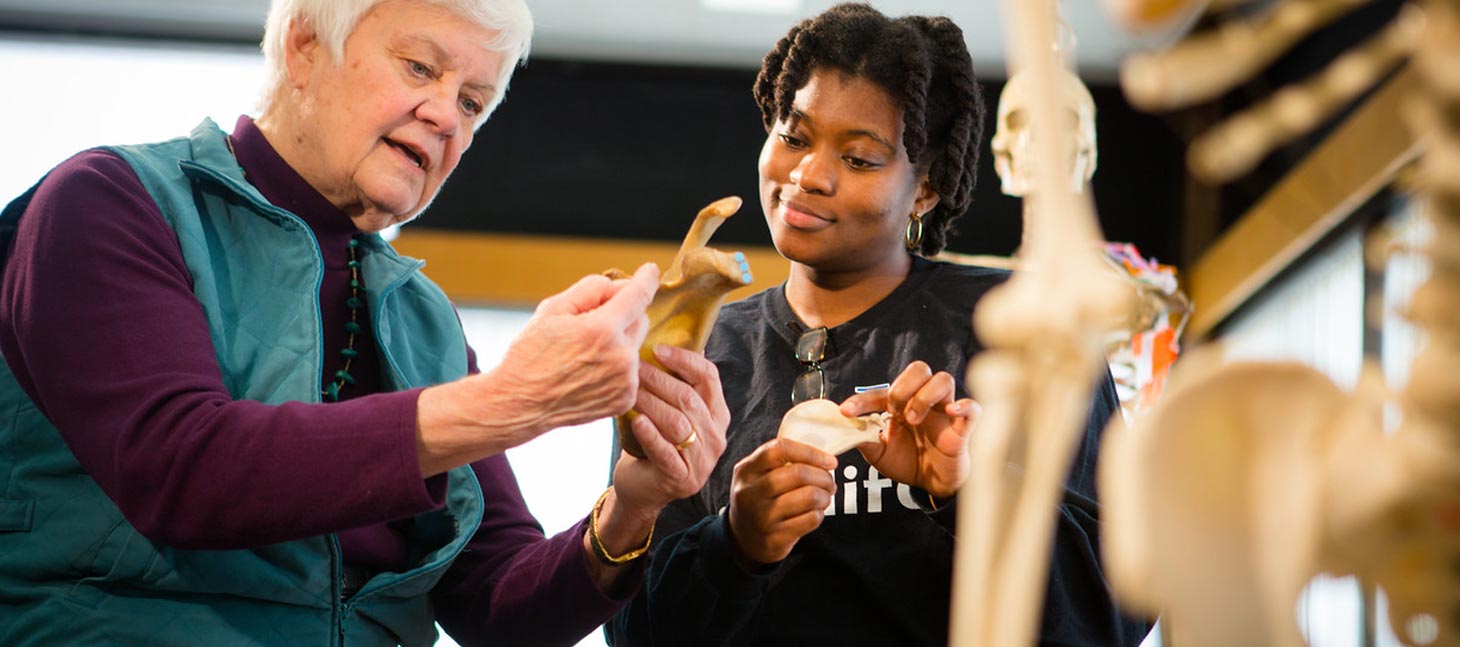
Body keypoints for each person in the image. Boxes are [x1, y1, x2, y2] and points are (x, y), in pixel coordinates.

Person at [0, 0, 729, 645]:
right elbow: (183, 470)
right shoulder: (109, 203)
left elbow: (495, 601)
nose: (447, 114)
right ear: (305, 46)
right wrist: (515, 399)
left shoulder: (425, 320)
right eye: (420, 68)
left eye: (473, 102)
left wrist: (634, 503)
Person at [606, 4, 1148, 646]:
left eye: (860, 159)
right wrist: (735, 544)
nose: (808, 175)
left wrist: (967, 492)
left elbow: (1117, 610)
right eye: (793, 136)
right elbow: (634, 633)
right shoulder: (704, 354)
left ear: (926, 189)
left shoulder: (1019, 329)